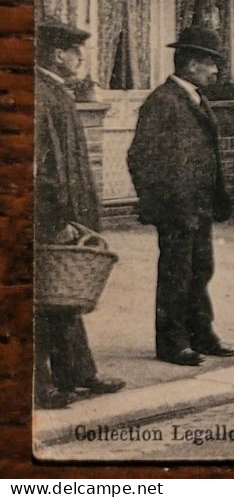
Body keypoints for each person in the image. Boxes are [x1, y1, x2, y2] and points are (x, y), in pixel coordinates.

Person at [128, 26, 234, 367]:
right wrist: (164, 205)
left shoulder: (196, 98)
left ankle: (201, 334)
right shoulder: (162, 102)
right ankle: (172, 343)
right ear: (191, 64)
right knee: (176, 275)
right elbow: (139, 158)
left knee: (200, 270)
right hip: (177, 209)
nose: (216, 71)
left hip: (200, 205)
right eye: (211, 64)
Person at [34, 21, 125, 408]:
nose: (80, 59)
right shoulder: (40, 93)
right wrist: (58, 215)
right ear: (58, 55)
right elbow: (38, 166)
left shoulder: (55, 91)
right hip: (43, 216)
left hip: (56, 215)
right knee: (40, 298)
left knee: (63, 292)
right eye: (77, 52)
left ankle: (78, 373)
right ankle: (42, 386)